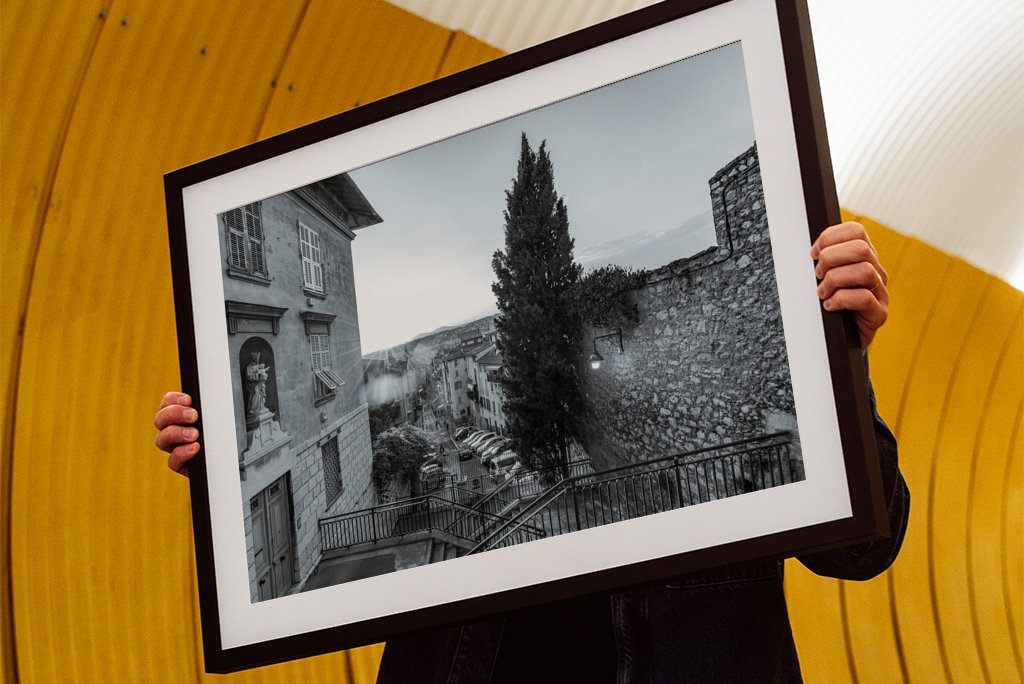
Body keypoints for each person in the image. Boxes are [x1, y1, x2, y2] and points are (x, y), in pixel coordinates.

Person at [154, 222, 908, 682]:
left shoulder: (768, 353)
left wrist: (839, 363)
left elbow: (865, 548)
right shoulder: (468, 479)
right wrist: (226, 465)